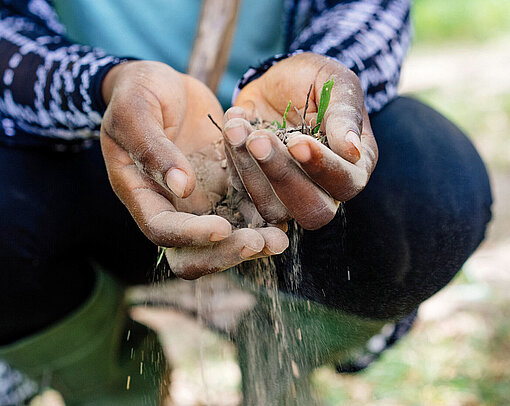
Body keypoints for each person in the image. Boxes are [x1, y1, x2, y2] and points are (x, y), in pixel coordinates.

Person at [0, 0, 492, 405]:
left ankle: (278, 362)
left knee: (430, 184)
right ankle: (114, 388)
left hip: (290, 179)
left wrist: (319, 74)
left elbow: (367, 11)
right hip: (101, 152)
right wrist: (107, 84)